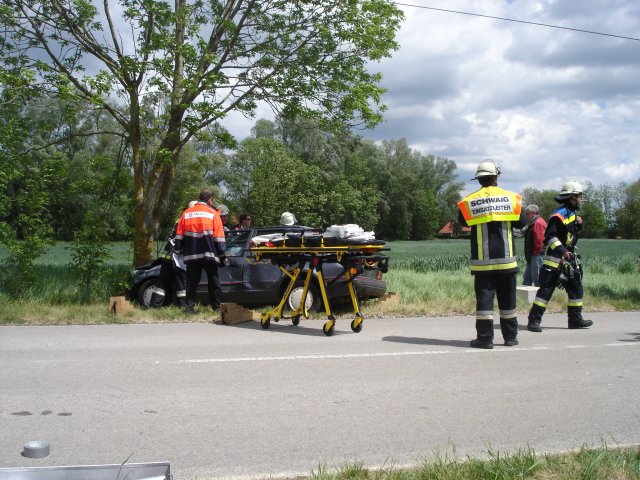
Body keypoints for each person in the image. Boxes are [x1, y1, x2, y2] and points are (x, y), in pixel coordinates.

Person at [457, 160, 527, 349]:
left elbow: (462, 221)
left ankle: (485, 339)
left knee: (484, 303)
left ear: (479, 179)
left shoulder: (469, 201)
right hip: (507, 262)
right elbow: (522, 222)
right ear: (496, 177)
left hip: (483, 264)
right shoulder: (511, 198)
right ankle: (510, 337)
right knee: (508, 302)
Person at [527, 181, 593, 332]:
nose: (581, 199)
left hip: (569, 260)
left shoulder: (572, 213)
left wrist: (579, 226)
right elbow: (549, 236)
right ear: (571, 197)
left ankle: (575, 320)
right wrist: (562, 250)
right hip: (555, 260)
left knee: (576, 288)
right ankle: (533, 321)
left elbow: (569, 236)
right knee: (546, 291)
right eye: (579, 196)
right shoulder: (559, 215)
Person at [174, 191, 226, 315]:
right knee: (213, 281)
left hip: (192, 254)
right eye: (212, 201)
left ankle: (189, 308)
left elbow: (179, 235)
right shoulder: (213, 214)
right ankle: (217, 307)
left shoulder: (186, 214)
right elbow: (219, 237)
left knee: (191, 282)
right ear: (209, 200)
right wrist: (222, 254)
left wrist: (178, 249)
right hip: (209, 254)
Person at [149, 200, 197, 308]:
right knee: (181, 283)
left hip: (167, 256)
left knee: (161, 284)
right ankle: (183, 306)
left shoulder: (179, 219)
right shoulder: (188, 220)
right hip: (177, 257)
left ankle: (154, 306)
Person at [522, 204, 547, 287]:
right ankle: (524, 298)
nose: (527, 215)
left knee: (537, 279)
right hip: (532, 255)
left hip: (536, 254)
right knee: (527, 278)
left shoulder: (538, 223)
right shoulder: (534, 222)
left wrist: (536, 253)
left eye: (528, 213)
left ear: (534, 212)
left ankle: (540, 297)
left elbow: (539, 240)